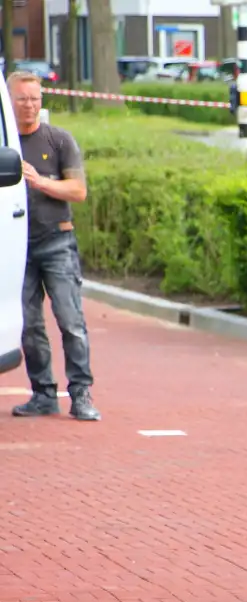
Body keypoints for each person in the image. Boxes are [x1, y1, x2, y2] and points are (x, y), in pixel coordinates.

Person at [6, 71, 100, 421]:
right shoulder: (6, 144)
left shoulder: (58, 140)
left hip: (57, 241)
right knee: (29, 323)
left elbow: (78, 191)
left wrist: (40, 181)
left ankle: (81, 393)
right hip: (18, 246)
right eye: (21, 99)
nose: (29, 106)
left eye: (34, 99)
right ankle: (43, 392)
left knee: (70, 319)